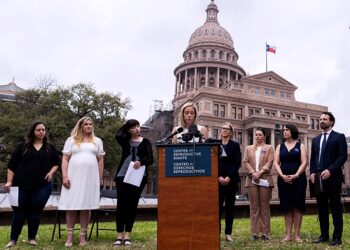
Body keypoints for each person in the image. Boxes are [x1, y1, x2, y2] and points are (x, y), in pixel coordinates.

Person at [4, 121, 60, 248]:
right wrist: (9, 181)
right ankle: (13, 239)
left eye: (43, 130)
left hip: (43, 186)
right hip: (21, 185)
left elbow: (56, 163)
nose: (41, 132)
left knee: (35, 211)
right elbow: (11, 166)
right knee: (19, 212)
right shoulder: (22, 147)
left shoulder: (50, 147)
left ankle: (32, 238)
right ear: (33, 131)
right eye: (38, 130)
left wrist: (51, 173)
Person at [58, 117, 105, 247]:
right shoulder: (71, 140)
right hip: (73, 177)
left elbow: (100, 160)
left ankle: (82, 237)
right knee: (72, 205)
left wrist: (100, 177)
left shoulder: (97, 141)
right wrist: (65, 176)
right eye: (86, 124)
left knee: (86, 206)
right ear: (81, 126)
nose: (89, 126)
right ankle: (70, 236)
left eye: (90, 124)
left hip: (90, 178)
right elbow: (65, 159)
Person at [114, 119, 153, 247]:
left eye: (138, 126)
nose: (137, 128)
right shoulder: (125, 141)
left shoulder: (146, 142)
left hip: (138, 176)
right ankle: (119, 235)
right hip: (122, 175)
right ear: (128, 129)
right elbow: (118, 135)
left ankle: (127, 236)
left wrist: (141, 162)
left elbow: (150, 159)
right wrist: (126, 125)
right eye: (133, 127)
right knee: (121, 205)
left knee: (132, 205)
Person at [310, 112, 347, 246]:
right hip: (319, 178)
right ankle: (324, 235)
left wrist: (330, 170)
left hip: (333, 178)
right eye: (320, 119)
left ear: (331, 122)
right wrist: (312, 172)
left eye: (324, 119)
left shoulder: (339, 137)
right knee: (322, 208)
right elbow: (313, 159)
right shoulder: (315, 140)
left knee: (336, 208)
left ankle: (337, 237)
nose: (321, 121)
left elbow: (342, 156)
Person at [274, 124, 307, 243]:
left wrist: (296, 175)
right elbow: (276, 163)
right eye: (283, 130)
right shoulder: (279, 146)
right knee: (286, 206)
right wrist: (282, 175)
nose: (284, 132)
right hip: (284, 180)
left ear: (293, 131)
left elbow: (304, 162)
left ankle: (297, 235)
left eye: (287, 130)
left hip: (299, 179)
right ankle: (288, 234)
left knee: (297, 206)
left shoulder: (301, 146)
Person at [243, 128, 274, 240]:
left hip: (264, 179)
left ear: (264, 136)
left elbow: (270, 162)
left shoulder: (269, 148)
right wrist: (252, 172)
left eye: (260, 135)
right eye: (256, 135)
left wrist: (260, 172)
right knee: (254, 207)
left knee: (264, 206)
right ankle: (254, 233)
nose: (257, 137)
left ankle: (265, 233)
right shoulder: (248, 148)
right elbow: (245, 162)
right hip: (252, 180)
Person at [218, 122, 241, 242]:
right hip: (218, 181)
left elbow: (237, 163)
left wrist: (228, 177)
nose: (225, 130)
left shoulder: (235, 145)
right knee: (217, 208)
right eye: (223, 128)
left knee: (230, 208)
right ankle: (216, 232)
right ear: (220, 131)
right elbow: (212, 162)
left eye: (227, 129)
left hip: (231, 181)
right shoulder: (215, 144)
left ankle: (228, 233)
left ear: (231, 132)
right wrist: (219, 177)